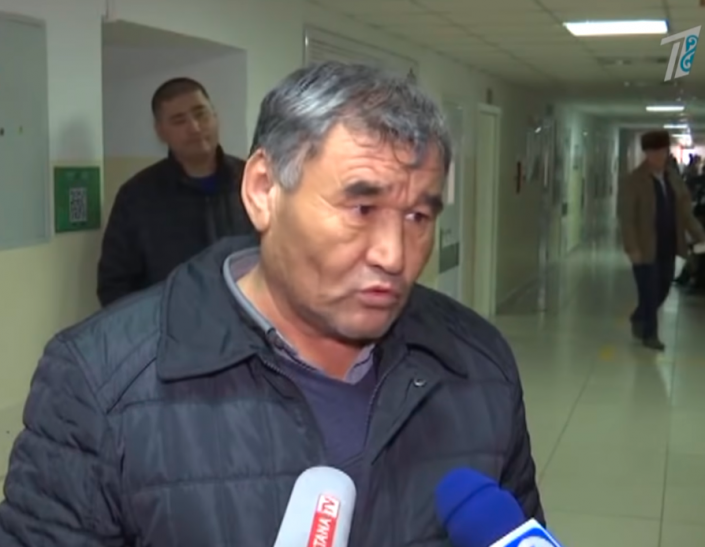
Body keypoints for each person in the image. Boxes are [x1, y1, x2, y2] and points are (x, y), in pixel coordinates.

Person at [0, 61, 543, 546]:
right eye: (361, 208)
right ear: (263, 191)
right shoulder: (98, 383)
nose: (394, 255)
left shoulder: (480, 363)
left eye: (418, 217)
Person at [97, 77, 255, 307]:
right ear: (160, 131)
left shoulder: (253, 181)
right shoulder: (138, 197)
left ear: (215, 116)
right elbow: (115, 285)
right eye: (179, 121)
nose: (195, 127)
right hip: (171, 325)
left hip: (247, 321)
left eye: (201, 114)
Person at [618, 130, 705, 350]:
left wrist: (700, 235)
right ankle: (650, 335)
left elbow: (686, 213)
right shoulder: (633, 181)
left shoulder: (673, 179)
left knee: (663, 288)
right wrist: (632, 248)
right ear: (646, 153)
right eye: (653, 152)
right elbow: (627, 218)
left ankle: (639, 316)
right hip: (645, 246)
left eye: (662, 151)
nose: (658, 156)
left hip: (668, 243)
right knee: (649, 291)